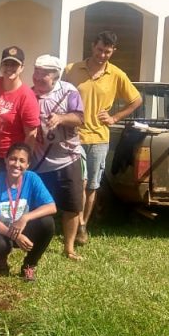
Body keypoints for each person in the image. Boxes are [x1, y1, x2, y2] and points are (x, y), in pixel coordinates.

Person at [63, 31, 142, 245]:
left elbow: (136, 100)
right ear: (92, 46)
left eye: (108, 52)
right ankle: (75, 222)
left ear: (113, 51)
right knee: (80, 181)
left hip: (99, 138)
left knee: (92, 186)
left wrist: (115, 117)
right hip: (74, 137)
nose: (102, 55)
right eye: (99, 50)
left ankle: (83, 225)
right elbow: (59, 94)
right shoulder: (71, 70)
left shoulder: (116, 74)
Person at [30, 54, 86, 261]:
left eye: (43, 73)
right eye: (36, 71)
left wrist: (61, 118)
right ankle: (37, 242)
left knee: (71, 205)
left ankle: (69, 248)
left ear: (55, 76)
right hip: (39, 161)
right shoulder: (29, 94)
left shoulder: (69, 91)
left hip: (68, 157)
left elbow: (80, 117)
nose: (37, 76)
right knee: (39, 205)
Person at [0, 142, 57, 281]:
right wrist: (15, 236)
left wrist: (25, 218)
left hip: (22, 227)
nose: (16, 164)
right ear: (6, 160)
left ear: (28, 164)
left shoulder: (32, 178)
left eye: (22, 161)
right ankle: (1, 259)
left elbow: (51, 206)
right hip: (2, 230)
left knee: (47, 223)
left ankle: (29, 265)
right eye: (12, 159)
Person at [0, 45, 40, 161]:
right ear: (0, 66)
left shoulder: (26, 95)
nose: (9, 68)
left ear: (22, 68)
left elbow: (31, 134)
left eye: (14, 65)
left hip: (8, 158)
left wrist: (23, 160)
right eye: (6, 64)